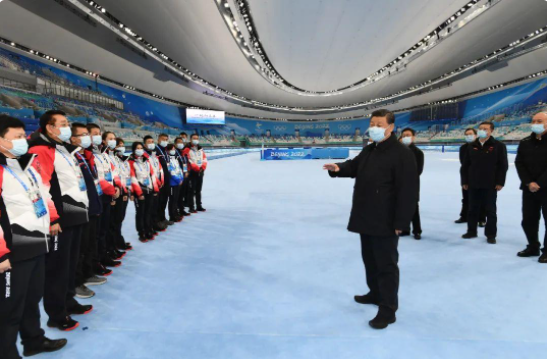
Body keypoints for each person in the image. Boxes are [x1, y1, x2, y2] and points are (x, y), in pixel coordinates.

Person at [323, 109, 418, 329]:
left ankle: (388, 309)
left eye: (379, 124)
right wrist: (339, 168)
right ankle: (375, 293)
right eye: (372, 123)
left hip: (386, 220)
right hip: (366, 216)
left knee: (386, 265)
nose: (374, 127)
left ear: (391, 127)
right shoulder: (370, 149)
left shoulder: (402, 154)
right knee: (370, 260)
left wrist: (401, 223)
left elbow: (408, 192)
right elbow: (354, 165)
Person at [0, 115, 68, 358]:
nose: (22, 141)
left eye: (23, 136)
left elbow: (43, 192)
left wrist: (52, 217)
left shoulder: (23, 164)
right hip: (13, 248)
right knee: (10, 307)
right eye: (16, 138)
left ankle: (33, 341)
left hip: (37, 241)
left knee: (32, 298)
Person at [29, 110, 91, 331]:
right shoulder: (40, 150)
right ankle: (56, 313)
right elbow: (41, 186)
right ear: (50, 127)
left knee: (70, 264)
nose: (67, 127)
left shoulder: (62, 149)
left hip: (75, 213)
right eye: (63, 124)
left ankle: (68, 300)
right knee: (57, 268)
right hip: (60, 218)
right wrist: (53, 218)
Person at [69, 123, 106, 300]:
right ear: (72, 138)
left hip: (93, 206)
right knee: (79, 248)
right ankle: (77, 282)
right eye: (84, 134)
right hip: (79, 210)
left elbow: (94, 182)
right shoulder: (72, 158)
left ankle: (87, 273)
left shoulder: (86, 156)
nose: (89, 138)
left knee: (90, 243)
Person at [461, 122, 508, 244]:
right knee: (472, 209)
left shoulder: (499, 146)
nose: (482, 130)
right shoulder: (471, 146)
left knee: (490, 210)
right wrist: (464, 181)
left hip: (490, 184)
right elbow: (465, 165)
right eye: (480, 128)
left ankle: (491, 234)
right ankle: (471, 231)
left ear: (491, 131)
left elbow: (503, 166)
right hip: (473, 183)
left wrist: (500, 182)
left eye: (485, 129)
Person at [87, 124, 122, 268]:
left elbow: (113, 173)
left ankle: (103, 256)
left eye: (98, 133)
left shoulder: (105, 155)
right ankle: (95, 261)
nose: (98, 136)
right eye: (94, 134)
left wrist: (117, 187)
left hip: (108, 195)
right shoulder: (89, 156)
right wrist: (111, 189)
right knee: (95, 233)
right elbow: (96, 177)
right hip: (98, 196)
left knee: (104, 230)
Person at [515, 112, 547, 263]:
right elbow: (519, 163)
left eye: (539, 121)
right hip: (529, 189)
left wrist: (539, 182)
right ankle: (533, 246)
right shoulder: (525, 142)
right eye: (533, 121)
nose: (535, 123)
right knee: (528, 220)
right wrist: (529, 182)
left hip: (545, 187)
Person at [455, 128, 486, 226]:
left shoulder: (482, 146)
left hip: (480, 177)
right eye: (466, 134)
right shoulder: (463, 148)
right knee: (466, 198)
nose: (468, 136)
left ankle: (481, 219)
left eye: (470, 134)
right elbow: (463, 163)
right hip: (467, 176)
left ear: (476, 135)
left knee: (480, 198)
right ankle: (464, 216)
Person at [129, 142, 157, 242]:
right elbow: (132, 178)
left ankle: (148, 229)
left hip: (149, 188)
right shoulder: (131, 162)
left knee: (148, 211)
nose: (140, 150)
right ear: (133, 150)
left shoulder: (146, 161)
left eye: (141, 148)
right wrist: (138, 193)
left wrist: (155, 188)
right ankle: (141, 232)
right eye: (137, 148)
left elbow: (152, 175)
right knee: (140, 212)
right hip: (139, 190)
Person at [400, 128, 424, 240]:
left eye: (408, 135)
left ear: (413, 137)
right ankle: (405, 229)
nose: (405, 137)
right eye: (404, 135)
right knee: (401, 208)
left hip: (411, 185)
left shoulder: (418, 153)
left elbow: (418, 170)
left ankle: (417, 230)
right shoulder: (397, 151)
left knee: (413, 208)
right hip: (398, 185)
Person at [110, 138, 133, 252]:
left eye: (123, 145)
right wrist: (122, 192)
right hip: (118, 193)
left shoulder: (124, 160)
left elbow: (127, 177)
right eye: (119, 145)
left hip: (125, 191)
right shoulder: (113, 160)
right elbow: (115, 178)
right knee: (116, 219)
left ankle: (118, 240)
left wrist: (128, 191)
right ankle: (114, 243)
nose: (121, 147)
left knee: (120, 219)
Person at [143, 136, 166, 232]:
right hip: (149, 185)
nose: (151, 143)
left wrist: (161, 180)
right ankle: (148, 227)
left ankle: (154, 224)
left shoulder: (154, 155)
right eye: (149, 142)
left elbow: (159, 169)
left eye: (152, 141)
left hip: (157, 183)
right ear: (144, 144)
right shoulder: (143, 156)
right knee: (148, 208)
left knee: (155, 206)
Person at [183, 134, 208, 213]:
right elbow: (187, 160)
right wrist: (196, 168)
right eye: (194, 138)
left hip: (200, 172)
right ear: (190, 139)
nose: (195, 140)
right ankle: (191, 206)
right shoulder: (187, 149)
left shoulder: (200, 149)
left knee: (198, 190)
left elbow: (204, 159)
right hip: (192, 172)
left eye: (197, 138)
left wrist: (203, 167)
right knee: (191, 190)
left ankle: (199, 205)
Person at [155, 134, 173, 226]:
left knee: (164, 200)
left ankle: (163, 218)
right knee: (159, 201)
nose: (165, 141)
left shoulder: (165, 151)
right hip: (160, 181)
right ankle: (157, 220)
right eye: (163, 139)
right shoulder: (156, 150)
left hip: (167, 179)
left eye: (166, 139)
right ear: (158, 139)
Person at [166, 144, 184, 223]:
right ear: (168, 150)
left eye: (174, 149)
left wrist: (181, 178)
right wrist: (177, 179)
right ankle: (172, 216)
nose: (174, 150)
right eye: (172, 149)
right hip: (172, 183)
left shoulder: (175, 159)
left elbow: (179, 169)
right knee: (172, 200)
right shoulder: (168, 160)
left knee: (176, 199)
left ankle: (176, 213)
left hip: (178, 182)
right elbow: (171, 171)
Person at [174, 137, 190, 217]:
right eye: (179, 142)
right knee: (178, 195)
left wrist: (186, 171)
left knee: (182, 194)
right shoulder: (174, 153)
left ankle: (181, 209)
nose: (181, 143)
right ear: (175, 144)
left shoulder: (182, 152)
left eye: (182, 142)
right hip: (178, 177)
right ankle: (176, 210)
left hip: (184, 176)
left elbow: (185, 163)